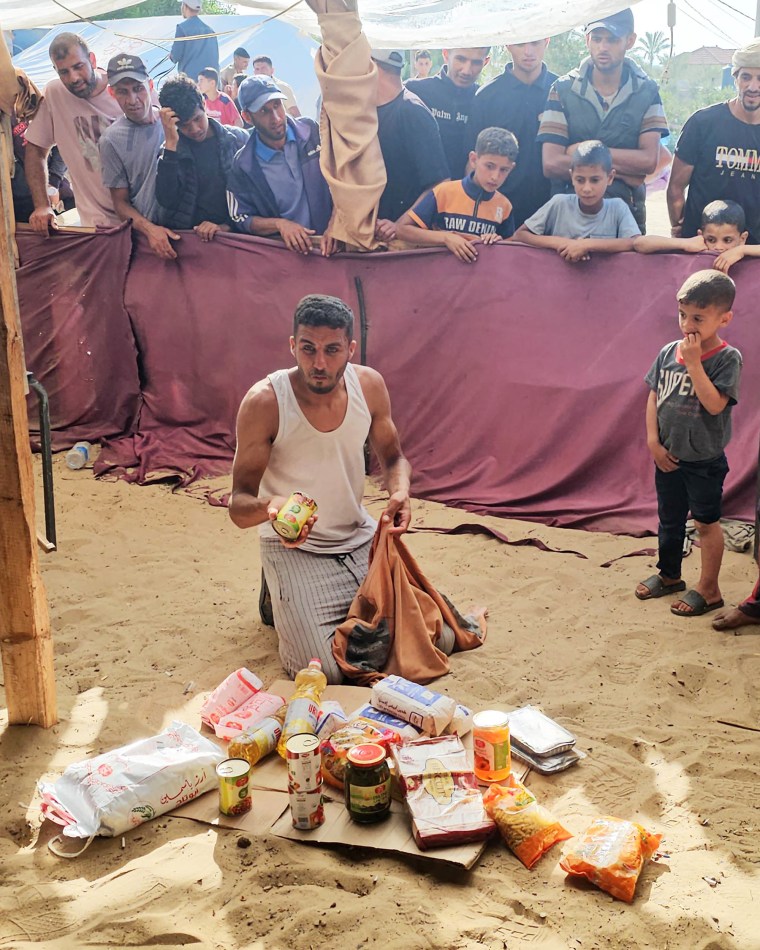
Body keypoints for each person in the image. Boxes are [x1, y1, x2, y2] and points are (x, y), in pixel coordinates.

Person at [228, 293, 411, 683]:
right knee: (321, 671)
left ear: (351, 349)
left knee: (424, 635)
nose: (319, 363)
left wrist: (400, 492)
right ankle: (278, 593)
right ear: (293, 345)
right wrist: (273, 507)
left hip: (358, 537)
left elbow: (394, 459)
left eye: (332, 350)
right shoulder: (265, 401)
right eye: (308, 349)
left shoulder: (369, 386)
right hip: (294, 547)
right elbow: (238, 505)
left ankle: (281, 599)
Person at [635, 270, 742, 617]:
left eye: (698, 317)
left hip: (704, 461)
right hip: (667, 456)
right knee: (669, 519)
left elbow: (714, 405)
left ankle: (709, 589)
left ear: (724, 318)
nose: (687, 324)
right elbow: (654, 395)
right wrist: (653, 441)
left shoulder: (728, 358)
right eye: (682, 314)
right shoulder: (668, 351)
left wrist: (695, 364)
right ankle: (669, 576)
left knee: (706, 523)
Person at [537, 8, 669, 233]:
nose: (603, 47)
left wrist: (580, 150)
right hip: (569, 221)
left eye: (612, 39)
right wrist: (627, 172)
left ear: (630, 40)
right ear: (587, 40)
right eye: (597, 39)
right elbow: (550, 164)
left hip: (626, 220)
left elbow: (648, 161)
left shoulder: (647, 92)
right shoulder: (562, 89)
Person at [24, 32, 122, 230]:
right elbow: (35, 150)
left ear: (92, 60)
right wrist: (42, 205)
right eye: (64, 72)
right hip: (97, 225)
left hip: (145, 218)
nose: (74, 78)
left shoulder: (127, 87)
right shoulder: (55, 94)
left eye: (78, 67)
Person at [226, 76, 335, 255]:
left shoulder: (312, 133)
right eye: (264, 111)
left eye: (277, 105)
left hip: (332, 249)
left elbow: (343, 178)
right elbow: (240, 217)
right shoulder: (243, 165)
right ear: (247, 117)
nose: (276, 118)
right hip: (287, 258)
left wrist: (335, 224)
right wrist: (279, 224)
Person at [668, 38, 760, 245]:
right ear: (735, 77)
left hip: (753, 253)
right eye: (746, 77)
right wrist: (682, 230)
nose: (753, 87)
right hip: (702, 247)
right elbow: (675, 186)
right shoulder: (703, 123)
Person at [467, 38, 556, 228]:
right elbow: (472, 163)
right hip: (496, 212)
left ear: (547, 41)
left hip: (553, 211)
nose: (528, 51)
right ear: (507, 44)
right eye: (520, 44)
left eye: (535, 43)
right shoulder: (486, 96)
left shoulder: (562, 91)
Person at [98, 54, 179, 259]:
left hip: (189, 229)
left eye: (138, 89)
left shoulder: (173, 120)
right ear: (111, 92)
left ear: (150, 85)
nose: (132, 100)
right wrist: (150, 229)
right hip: (150, 241)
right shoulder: (111, 140)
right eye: (123, 92)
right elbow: (120, 203)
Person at [395, 126, 517, 261]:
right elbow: (402, 230)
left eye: (504, 170)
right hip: (438, 275)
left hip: (480, 279)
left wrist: (496, 242)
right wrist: (446, 238)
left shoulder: (504, 206)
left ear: (512, 168)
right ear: (473, 160)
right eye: (489, 166)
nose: (495, 176)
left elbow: (509, 248)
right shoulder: (444, 192)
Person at [513, 140, 640, 261]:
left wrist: (587, 245)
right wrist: (565, 243)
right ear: (571, 177)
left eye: (595, 180)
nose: (587, 188)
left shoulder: (617, 208)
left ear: (610, 178)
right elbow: (521, 235)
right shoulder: (559, 203)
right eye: (580, 180)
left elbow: (634, 242)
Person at [371, 48, 449, 241]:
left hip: (402, 244)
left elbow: (440, 183)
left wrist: (400, 225)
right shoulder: (368, 111)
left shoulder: (412, 111)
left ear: (371, 67)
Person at [156, 75, 247, 239]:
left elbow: (255, 196)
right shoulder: (169, 151)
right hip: (191, 241)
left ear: (204, 104)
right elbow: (166, 201)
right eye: (184, 125)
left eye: (197, 119)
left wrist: (225, 227)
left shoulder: (237, 140)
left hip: (236, 236)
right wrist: (170, 145)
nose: (195, 129)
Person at [406, 46, 490, 179]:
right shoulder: (414, 91)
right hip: (420, 194)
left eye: (476, 62)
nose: (467, 70)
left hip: (464, 194)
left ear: (485, 62)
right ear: (445, 54)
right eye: (461, 59)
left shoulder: (485, 100)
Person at [634, 199, 760, 272]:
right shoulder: (697, 248)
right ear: (701, 235)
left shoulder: (743, 254)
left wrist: (743, 250)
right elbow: (640, 244)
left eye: (727, 240)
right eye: (711, 239)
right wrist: (684, 243)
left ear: (742, 238)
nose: (718, 247)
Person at [171, 0, 218, 82]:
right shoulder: (211, 31)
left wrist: (171, 56)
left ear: (185, 6)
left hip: (190, 83)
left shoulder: (182, 28)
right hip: (210, 84)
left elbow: (176, 56)